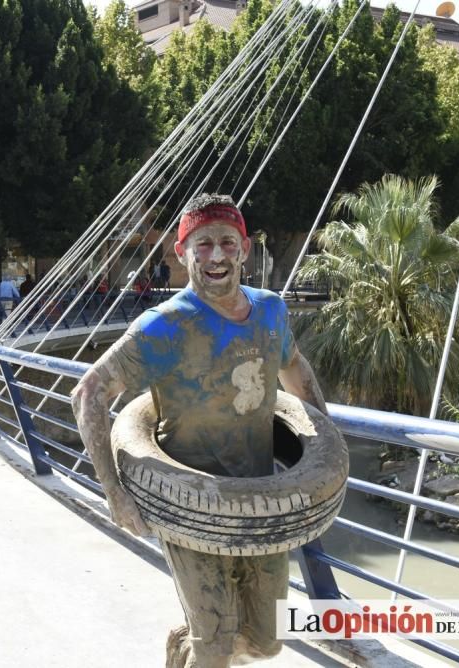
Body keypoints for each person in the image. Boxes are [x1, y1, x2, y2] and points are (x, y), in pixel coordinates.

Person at [71, 194, 330, 668]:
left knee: (267, 640)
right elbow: (88, 394)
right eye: (203, 244)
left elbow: (294, 368)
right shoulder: (165, 326)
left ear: (244, 249)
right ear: (181, 251)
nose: (216, 256)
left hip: (260, 500)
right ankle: (198, 645)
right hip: (189, 506)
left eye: (227, 243)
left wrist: (324, 455)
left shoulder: (271, 310)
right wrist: (115, 493)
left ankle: (182, 646)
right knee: (215, 647)